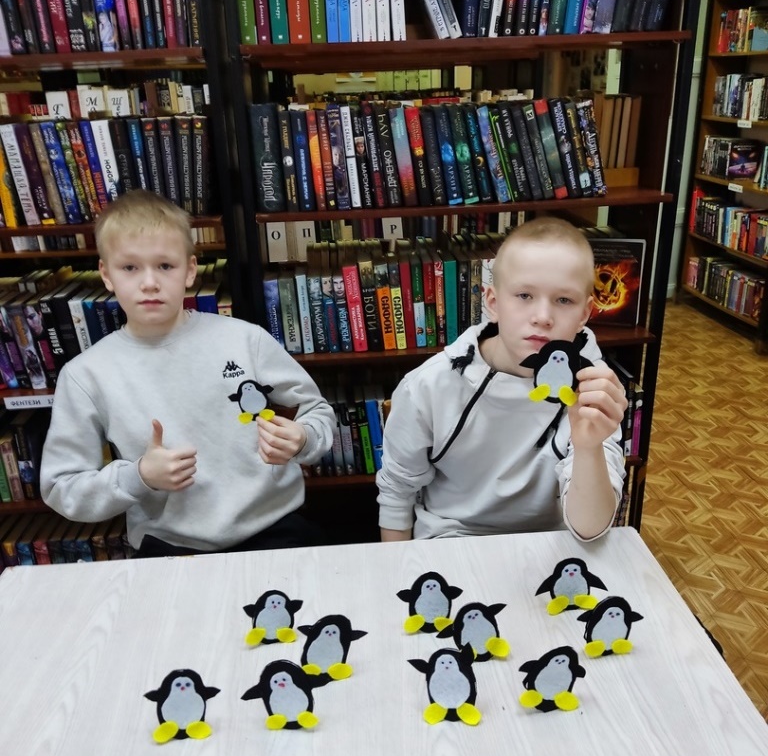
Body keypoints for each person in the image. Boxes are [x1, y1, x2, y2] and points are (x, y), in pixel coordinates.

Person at [40, 190, 336, 556]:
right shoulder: (85, 376)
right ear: (106, 274)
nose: (150, 282)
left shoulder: (246, 339)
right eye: (130, 268)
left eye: (165, 266)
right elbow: (61, 487)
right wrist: (139, 476)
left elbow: (318, 412)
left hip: (274, 530)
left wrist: (303, 438)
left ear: (190, 270)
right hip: (169, 546)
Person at [377, 217, 628, 543]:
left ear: (584, 314)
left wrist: (588, 447)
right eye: (524, 295)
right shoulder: (428, 386)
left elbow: (590, 528)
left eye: (563, 300)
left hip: (551, 546)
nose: (543, 317)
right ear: (493, 303)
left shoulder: (593, 388)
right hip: (450, 543)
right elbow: (397, 493)